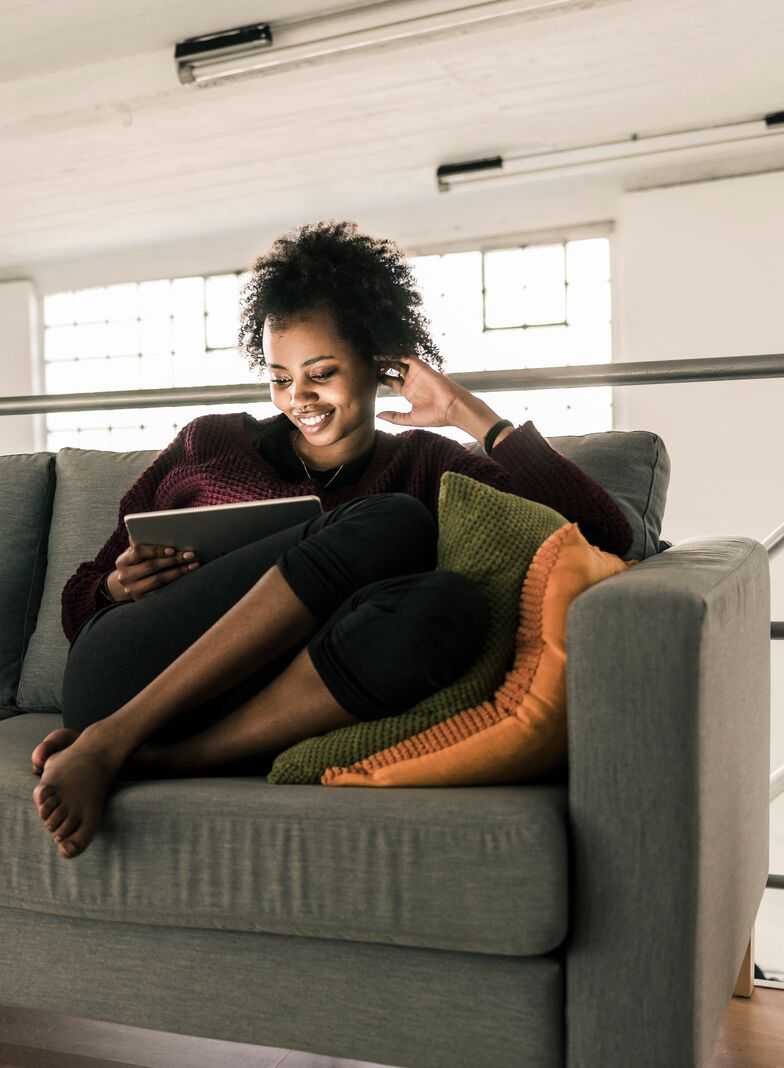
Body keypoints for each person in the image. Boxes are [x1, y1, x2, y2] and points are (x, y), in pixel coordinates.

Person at [32, 219, 633, 860]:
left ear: (379, 363)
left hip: (264, 703)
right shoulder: (209, 443)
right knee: (396, 521)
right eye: (280, 378)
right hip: (126, 677)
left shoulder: (428, 464)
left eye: (321, 372)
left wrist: (467, 413)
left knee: (451, 607)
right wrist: (113, 586)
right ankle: (114, 736)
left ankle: (162, 759)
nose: (299, 398)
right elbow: (77, 603)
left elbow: (603, 535)